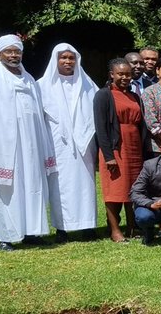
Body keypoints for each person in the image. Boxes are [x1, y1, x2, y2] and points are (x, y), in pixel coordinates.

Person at [0, 34, 57, 251]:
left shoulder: (29, 79)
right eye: (8, 51)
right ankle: (5, 237)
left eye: (17, 51)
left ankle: (31, 232)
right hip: (4, 144)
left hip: (32, 143)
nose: (13, 55)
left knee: (33, 185)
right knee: (7, 189)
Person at [38, 43, 99, 243]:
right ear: (55, 60)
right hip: (57, 144)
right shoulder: (42, 85)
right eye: (63, 58)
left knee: (85, 185)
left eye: (71, 58)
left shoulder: (87, 84)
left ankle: (88, 226)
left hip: (84, 144)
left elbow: (96, 110)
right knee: (59, 186)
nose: (67, 61)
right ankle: (62, 228)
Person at [94, 57, 149, 243]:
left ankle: (133, 226)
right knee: (115, 189)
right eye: (121, 74)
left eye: (128, 74)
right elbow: (101, 128)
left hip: (134, 147)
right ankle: (115, 230)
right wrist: (108, 155)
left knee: (133, 188)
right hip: (115, 148)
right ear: (112, 74)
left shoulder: (135, 96)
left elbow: (141, 124)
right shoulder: (104, 95)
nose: (125, 77)